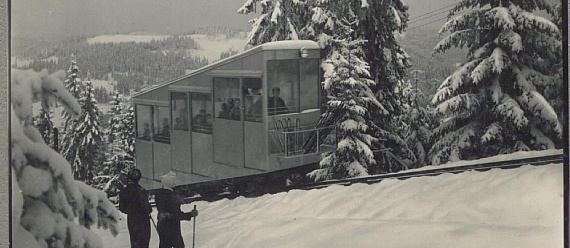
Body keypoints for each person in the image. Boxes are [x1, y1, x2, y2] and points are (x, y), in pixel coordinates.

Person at [155, 171, 199, 248]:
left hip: (162, 224)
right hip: (172, 226)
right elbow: (176, 214)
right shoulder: (172, 195)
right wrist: (190, 214)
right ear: (168, 182)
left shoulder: (159, 194)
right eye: (173, 180)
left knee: (164, 245)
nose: (175, 182)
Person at [119, 169, 153, 248]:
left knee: (135, 242)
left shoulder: (124, 192)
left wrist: (131, 211)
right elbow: (147, 207)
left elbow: (122, 207)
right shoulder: (141, 190)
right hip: (143, 220)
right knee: (144, 243)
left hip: (132, 220)